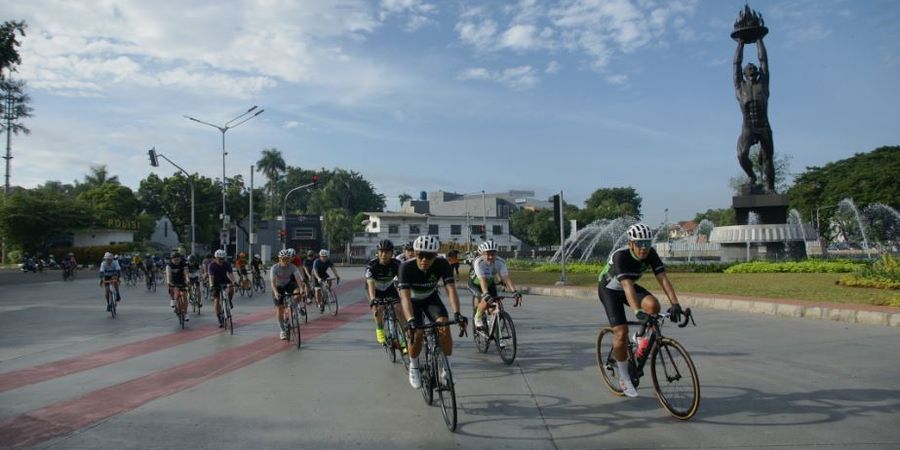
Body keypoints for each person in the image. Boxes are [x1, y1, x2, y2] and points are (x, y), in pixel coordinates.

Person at [597, 223, 684, 398]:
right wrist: (637, 311)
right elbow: (627, 286)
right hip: (610, 290)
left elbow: (663, 279)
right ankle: (624, 376)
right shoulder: (621, 257)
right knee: (621, 332)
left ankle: (639, 337)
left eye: (647, 243)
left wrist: (675, 304)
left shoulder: (651, 254)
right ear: (631, 244)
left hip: (628, 287)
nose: (644, 248)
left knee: (653, 306)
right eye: (639, 244)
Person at [397, 235, 467, 389]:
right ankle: (414, 366)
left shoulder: (443, 264)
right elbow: (405, 298)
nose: (424, 260)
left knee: (444, 326)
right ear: (415, 254)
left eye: (429, 256)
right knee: (418, 332)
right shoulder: (405, 267)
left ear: (436, 256)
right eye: (420, 255)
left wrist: (457, 313)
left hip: (430, 298)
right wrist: (410, 321)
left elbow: (451, 290)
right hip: (412, 301)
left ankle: (446, 367)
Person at [734, 36, 775, 192]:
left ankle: (770, 187)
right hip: (748, 127)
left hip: (764, 126)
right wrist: (741, 44)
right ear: (744, 74)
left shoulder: (763, 85)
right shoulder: (740, 88)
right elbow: (736, 64)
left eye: (753, 69)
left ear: (757, 72)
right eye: (748, 69)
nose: (751, 70)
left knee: (767, 159)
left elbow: (764, 60)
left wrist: (759, 40)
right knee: (741, 155)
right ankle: (751, 176)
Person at [469, 240, 522, 331]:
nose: (490, 257)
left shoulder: (500, 262)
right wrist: (486, 294)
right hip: (475, 284)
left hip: (490, 283)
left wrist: (514, 291)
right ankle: (477, 318)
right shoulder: (478, 262)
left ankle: (493, 323)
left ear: (496, 253)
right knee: (485, 300)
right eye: (487, 254)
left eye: (493, 254)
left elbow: (506, 277)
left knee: (493, 307)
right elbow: (482, 280)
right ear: (482, 254)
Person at [366, 240, 403, 345]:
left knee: (399, 309)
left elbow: (403, 282)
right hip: (375, 289)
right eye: (381, 251)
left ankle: (403, 335)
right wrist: (373, 298)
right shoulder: (372, 265)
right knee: (378, 309)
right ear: (377, 252)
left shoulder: (397, 264)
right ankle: (380, 330)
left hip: (389, 287)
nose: (383, 254)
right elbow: (370, 283)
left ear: (392, 253)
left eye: (387, 252)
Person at [270, 248, 305, 340]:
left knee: (297, 293)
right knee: (280, 309)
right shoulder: (274, 268)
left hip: (288, 284)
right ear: (279, 259)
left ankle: (293, 306)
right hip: (278, 287)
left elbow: (298, 278)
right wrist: (276, 293)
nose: (286, 261)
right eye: (283, 259)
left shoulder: (292, 266)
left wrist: (301, 289)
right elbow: (272, 283)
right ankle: (282, 331)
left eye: (287, 259)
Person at [208, 249, 238, 328]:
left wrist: (234, 281)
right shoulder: (212, 265)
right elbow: (211, 277)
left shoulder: (227, 264)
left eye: (223, 259)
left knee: (231, 288)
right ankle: (219, 317)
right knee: (217, 300)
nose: (221, 260)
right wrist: (211, 285)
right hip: (215, 282)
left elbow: (230, 274)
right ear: (216, 258)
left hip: (224, 280)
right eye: (219, 259)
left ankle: (229, 301)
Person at [165, 251, 190, 321]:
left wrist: (187, 279)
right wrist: (169, 282)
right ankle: (172, 299)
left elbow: (186, 273)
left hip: (181, 281)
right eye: (174, 259)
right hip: (173, 281)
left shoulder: (183, 264)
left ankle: (185, 313)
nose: (176, 261)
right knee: (171, 288)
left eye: (177, 259)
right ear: (172, 259)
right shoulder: (169, 266)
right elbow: (168, 275)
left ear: (180, 259)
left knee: (185, 296)